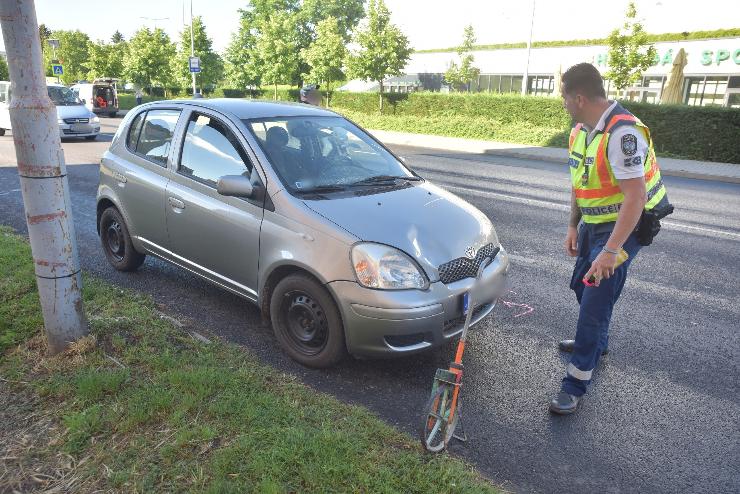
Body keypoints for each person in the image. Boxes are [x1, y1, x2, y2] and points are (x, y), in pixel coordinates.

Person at [550, 63, 672, 415]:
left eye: (563, 97)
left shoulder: (623, 134)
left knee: (593, 304)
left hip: (625, 228)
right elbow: (579, 181)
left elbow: (635, 198)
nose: (563, 104)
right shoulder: (580, 131)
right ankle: (598, 342)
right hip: (592, 223)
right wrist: (574, 225)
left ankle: (574, 385)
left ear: (579, 97)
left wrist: (611, 251)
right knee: (580, 286)